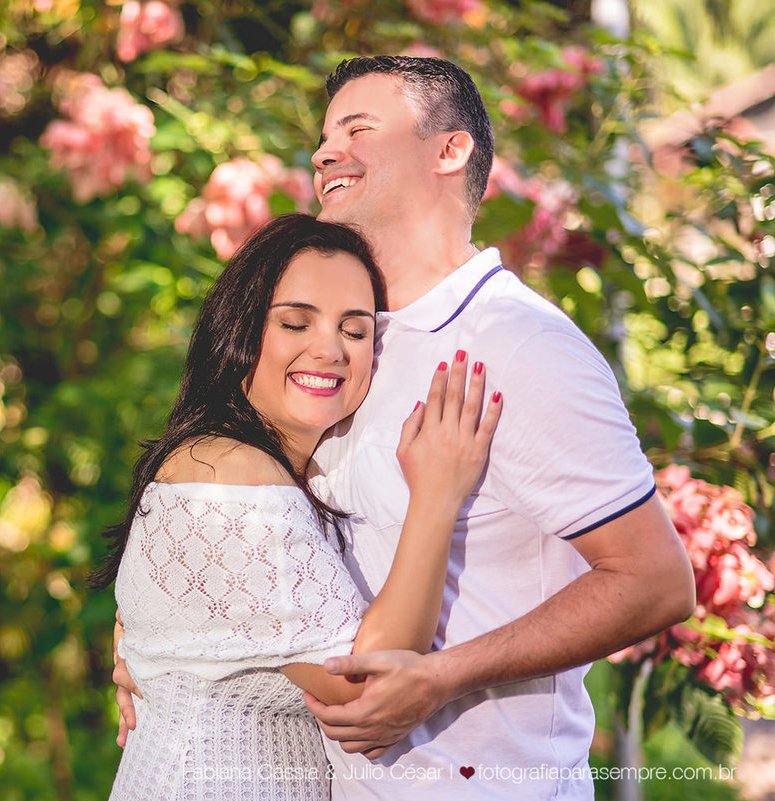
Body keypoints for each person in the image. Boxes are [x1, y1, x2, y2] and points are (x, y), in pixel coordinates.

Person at [116, 56, 696, 800]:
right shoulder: (341, 353)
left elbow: (654, 580)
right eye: (324, 137)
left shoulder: (520, 344)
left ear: (449, 150)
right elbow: (250, 548)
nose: (325, 152)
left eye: (359, 129)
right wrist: (162, 641)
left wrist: (442, 676)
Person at [96, 212, 502, 800]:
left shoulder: (249, 464)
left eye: (356, 331)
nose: (329, 349)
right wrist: (437, 498)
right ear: (239, 329)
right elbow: (366, 685)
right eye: (295, 322)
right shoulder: (231, 476)